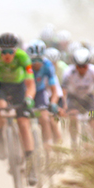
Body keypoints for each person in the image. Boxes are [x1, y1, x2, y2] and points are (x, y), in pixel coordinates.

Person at [0, 32, 35, 166]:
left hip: (18, 87)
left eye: (10, 52)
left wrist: (28, 98)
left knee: (23, 123)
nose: (7, 55)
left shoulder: (23, 57)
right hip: (1, 86)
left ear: (15, 50)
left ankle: (30, 162)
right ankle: (1, 139)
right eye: (4, 52)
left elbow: (30, 83)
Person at [27, 40, 62, 177]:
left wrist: (53, 103)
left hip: (40, 93)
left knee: (44, 117)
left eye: (39, 60)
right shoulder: (25, 65)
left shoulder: (47, 65)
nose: (37, 63)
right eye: (34, 60)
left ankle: (47, 145)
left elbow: (54, 89)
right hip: (25, 92)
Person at [62, 47, 94, 147]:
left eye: (84, 66)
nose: (81, 69)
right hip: (73, 99)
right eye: (79, 66)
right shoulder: (68, 73)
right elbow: (63, 93)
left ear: (88, 64)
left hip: (89, 99)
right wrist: (64, 106)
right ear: (75, 65)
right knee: (73, 116)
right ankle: (73, 142)